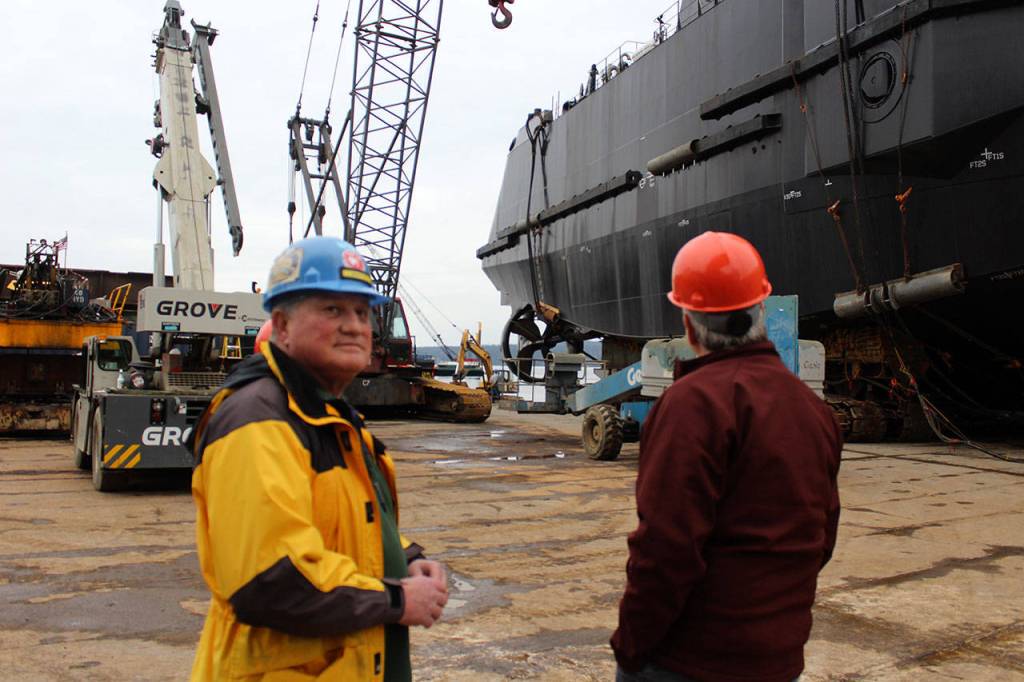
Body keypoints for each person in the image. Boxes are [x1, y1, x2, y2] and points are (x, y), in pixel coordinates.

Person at [189, 236, 448, 681]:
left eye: (363, 313)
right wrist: (397, 599)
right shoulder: (258, 421)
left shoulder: (328, 415)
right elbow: (269, 579)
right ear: (282, 326)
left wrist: (402, 557)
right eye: (332, 310)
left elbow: (344, 516)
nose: (355, 326)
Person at [611, 231, 842, 682]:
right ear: (760, 309)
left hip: (689, 662)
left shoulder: (689, 405)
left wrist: (630, 645)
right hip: (777, 659)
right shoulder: (813, 409)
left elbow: (664, 549)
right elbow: (822, 535)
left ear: (688, 322)